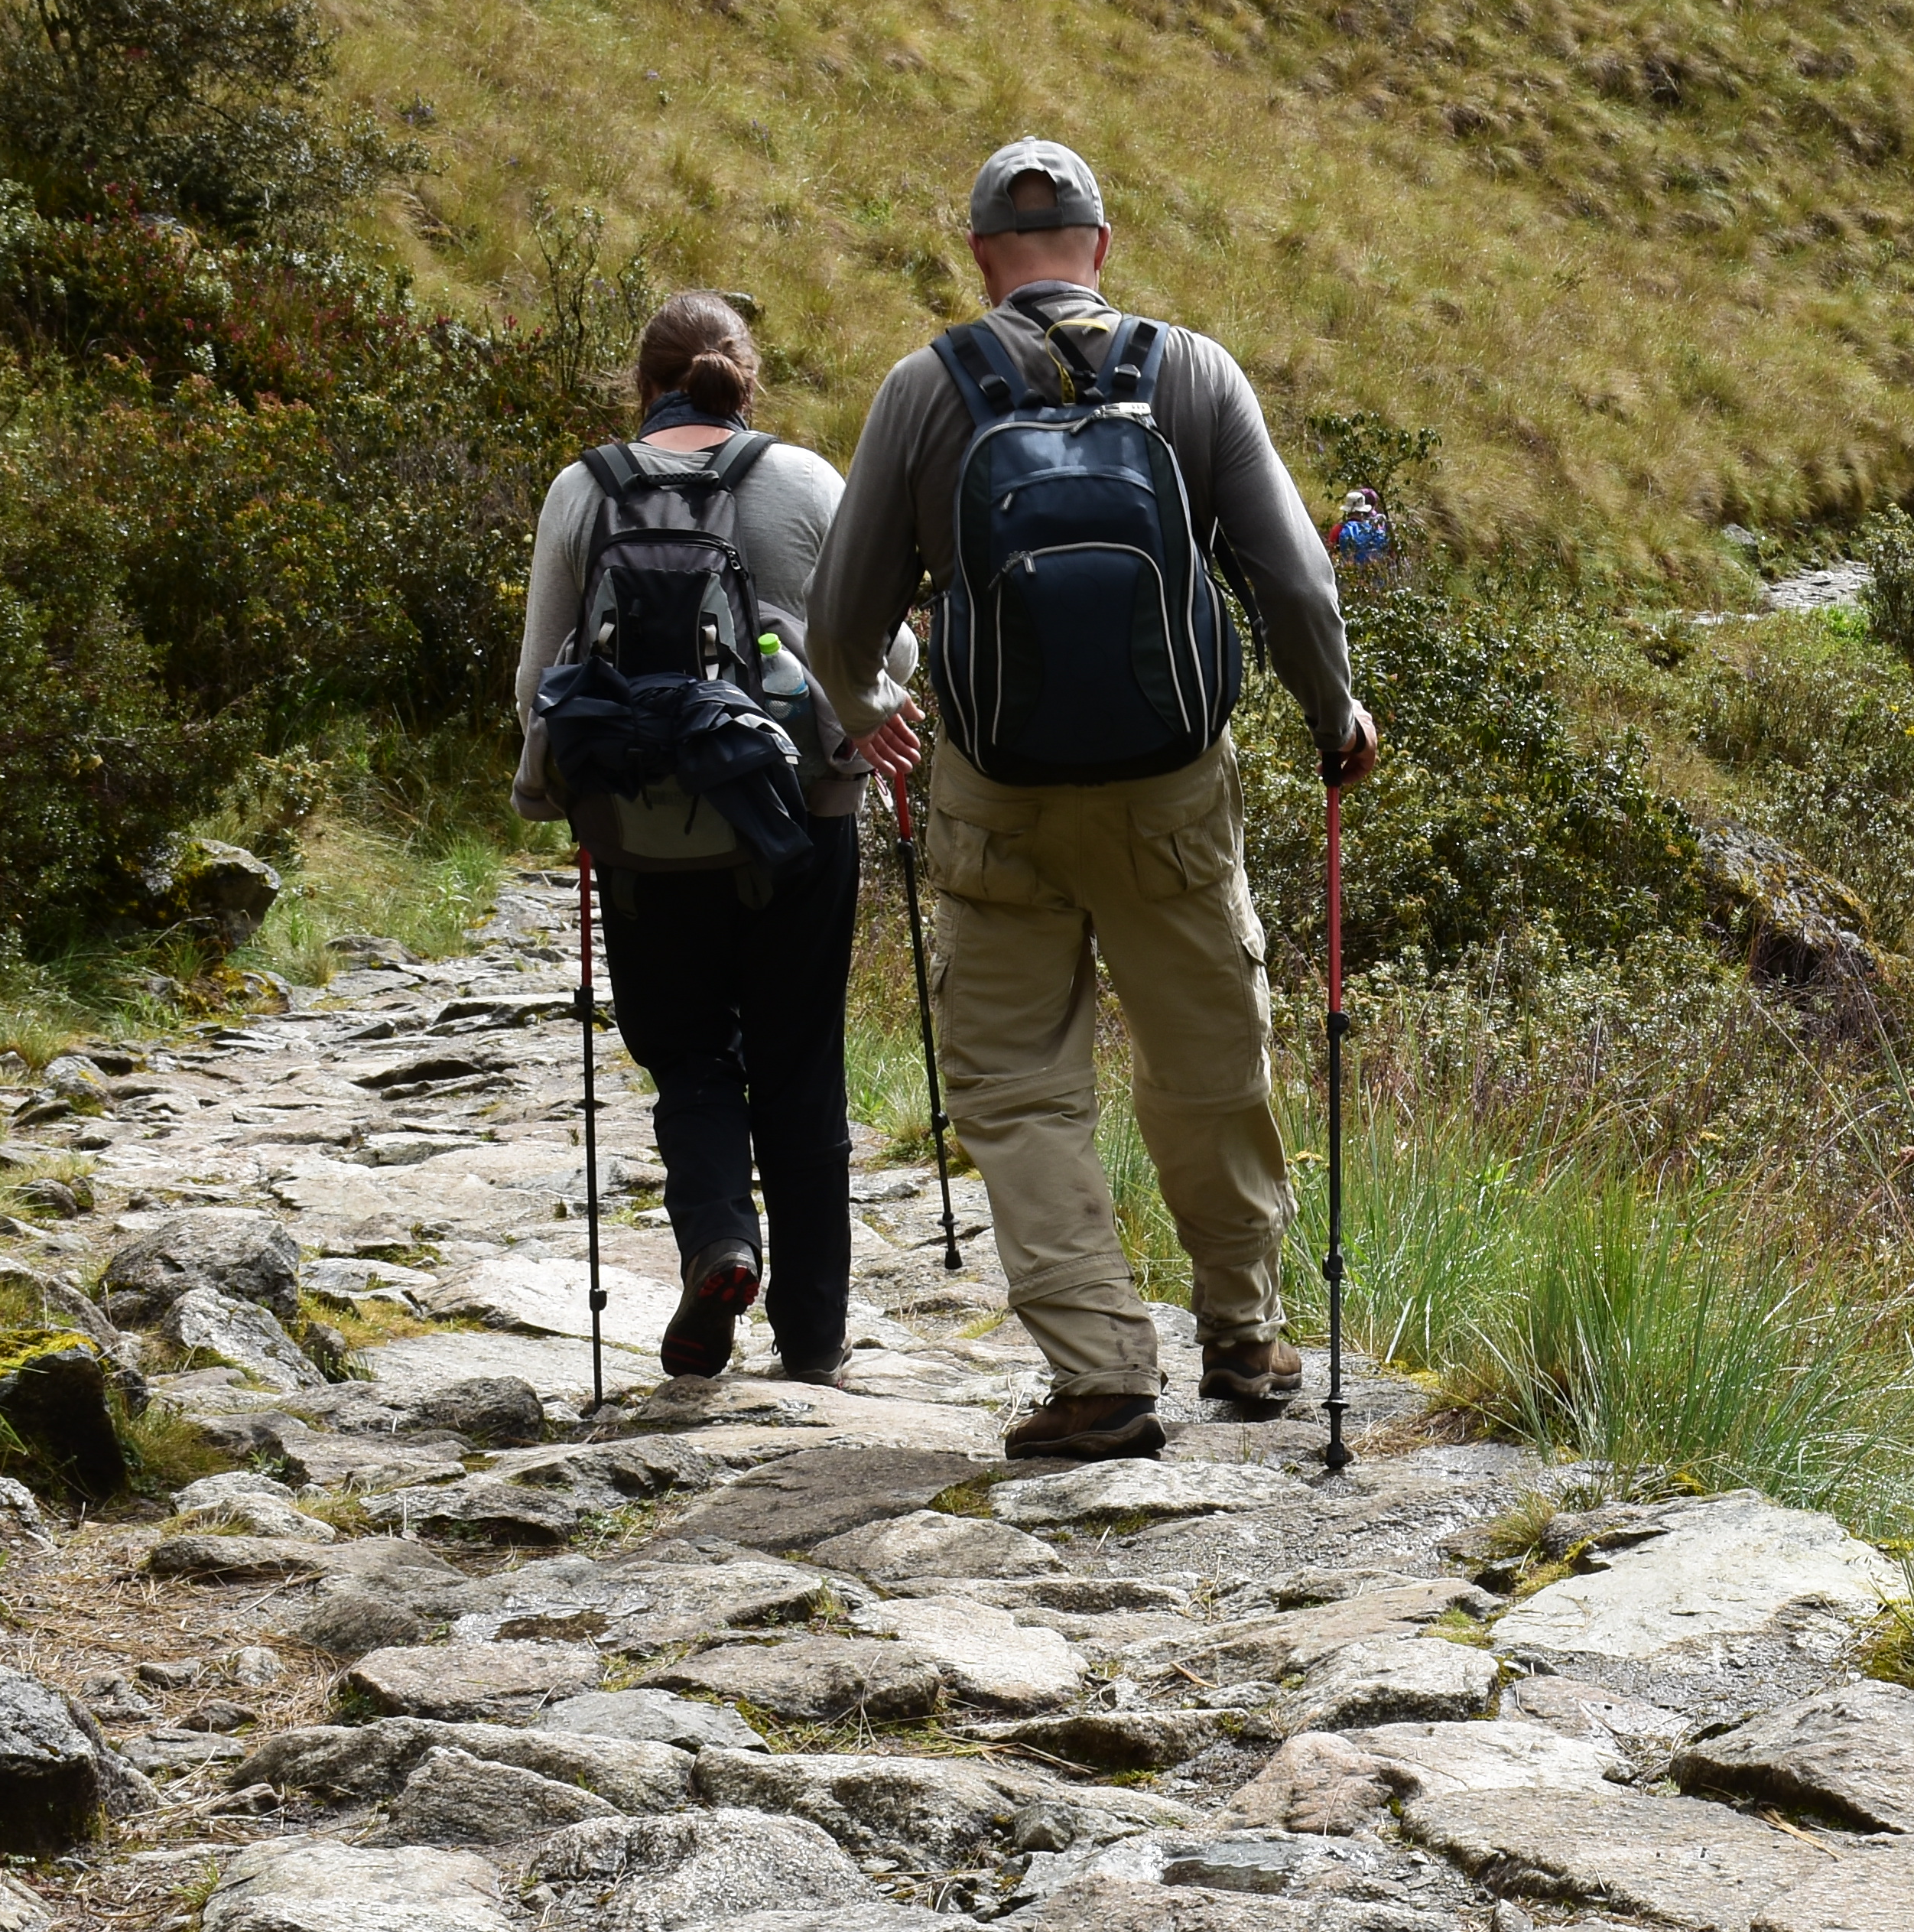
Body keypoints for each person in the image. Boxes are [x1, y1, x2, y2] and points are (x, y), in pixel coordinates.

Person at [805, 141, 1379, 1462]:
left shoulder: (923, 389)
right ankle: (1243, 1336)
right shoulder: (1194, 373)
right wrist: (1333, 715)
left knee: (1016, 1086)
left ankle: (1101, 1373)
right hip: (1170, 786)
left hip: (994, 793)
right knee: (1208, 1057)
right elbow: (1296, 584)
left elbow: (839, 618)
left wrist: (870, 710)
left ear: (980, 259)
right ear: (1102, 247)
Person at [513, 291, 911, 1384]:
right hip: (801, 821)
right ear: (746, 378)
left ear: (642, 385)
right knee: (798, 1063)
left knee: (687, 1054)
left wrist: (559, 796)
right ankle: (814, 1336)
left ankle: (721, 1243)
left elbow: (539, 678)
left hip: (640, 836)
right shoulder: (805, 481)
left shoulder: (582, 491)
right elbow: (885, 654)